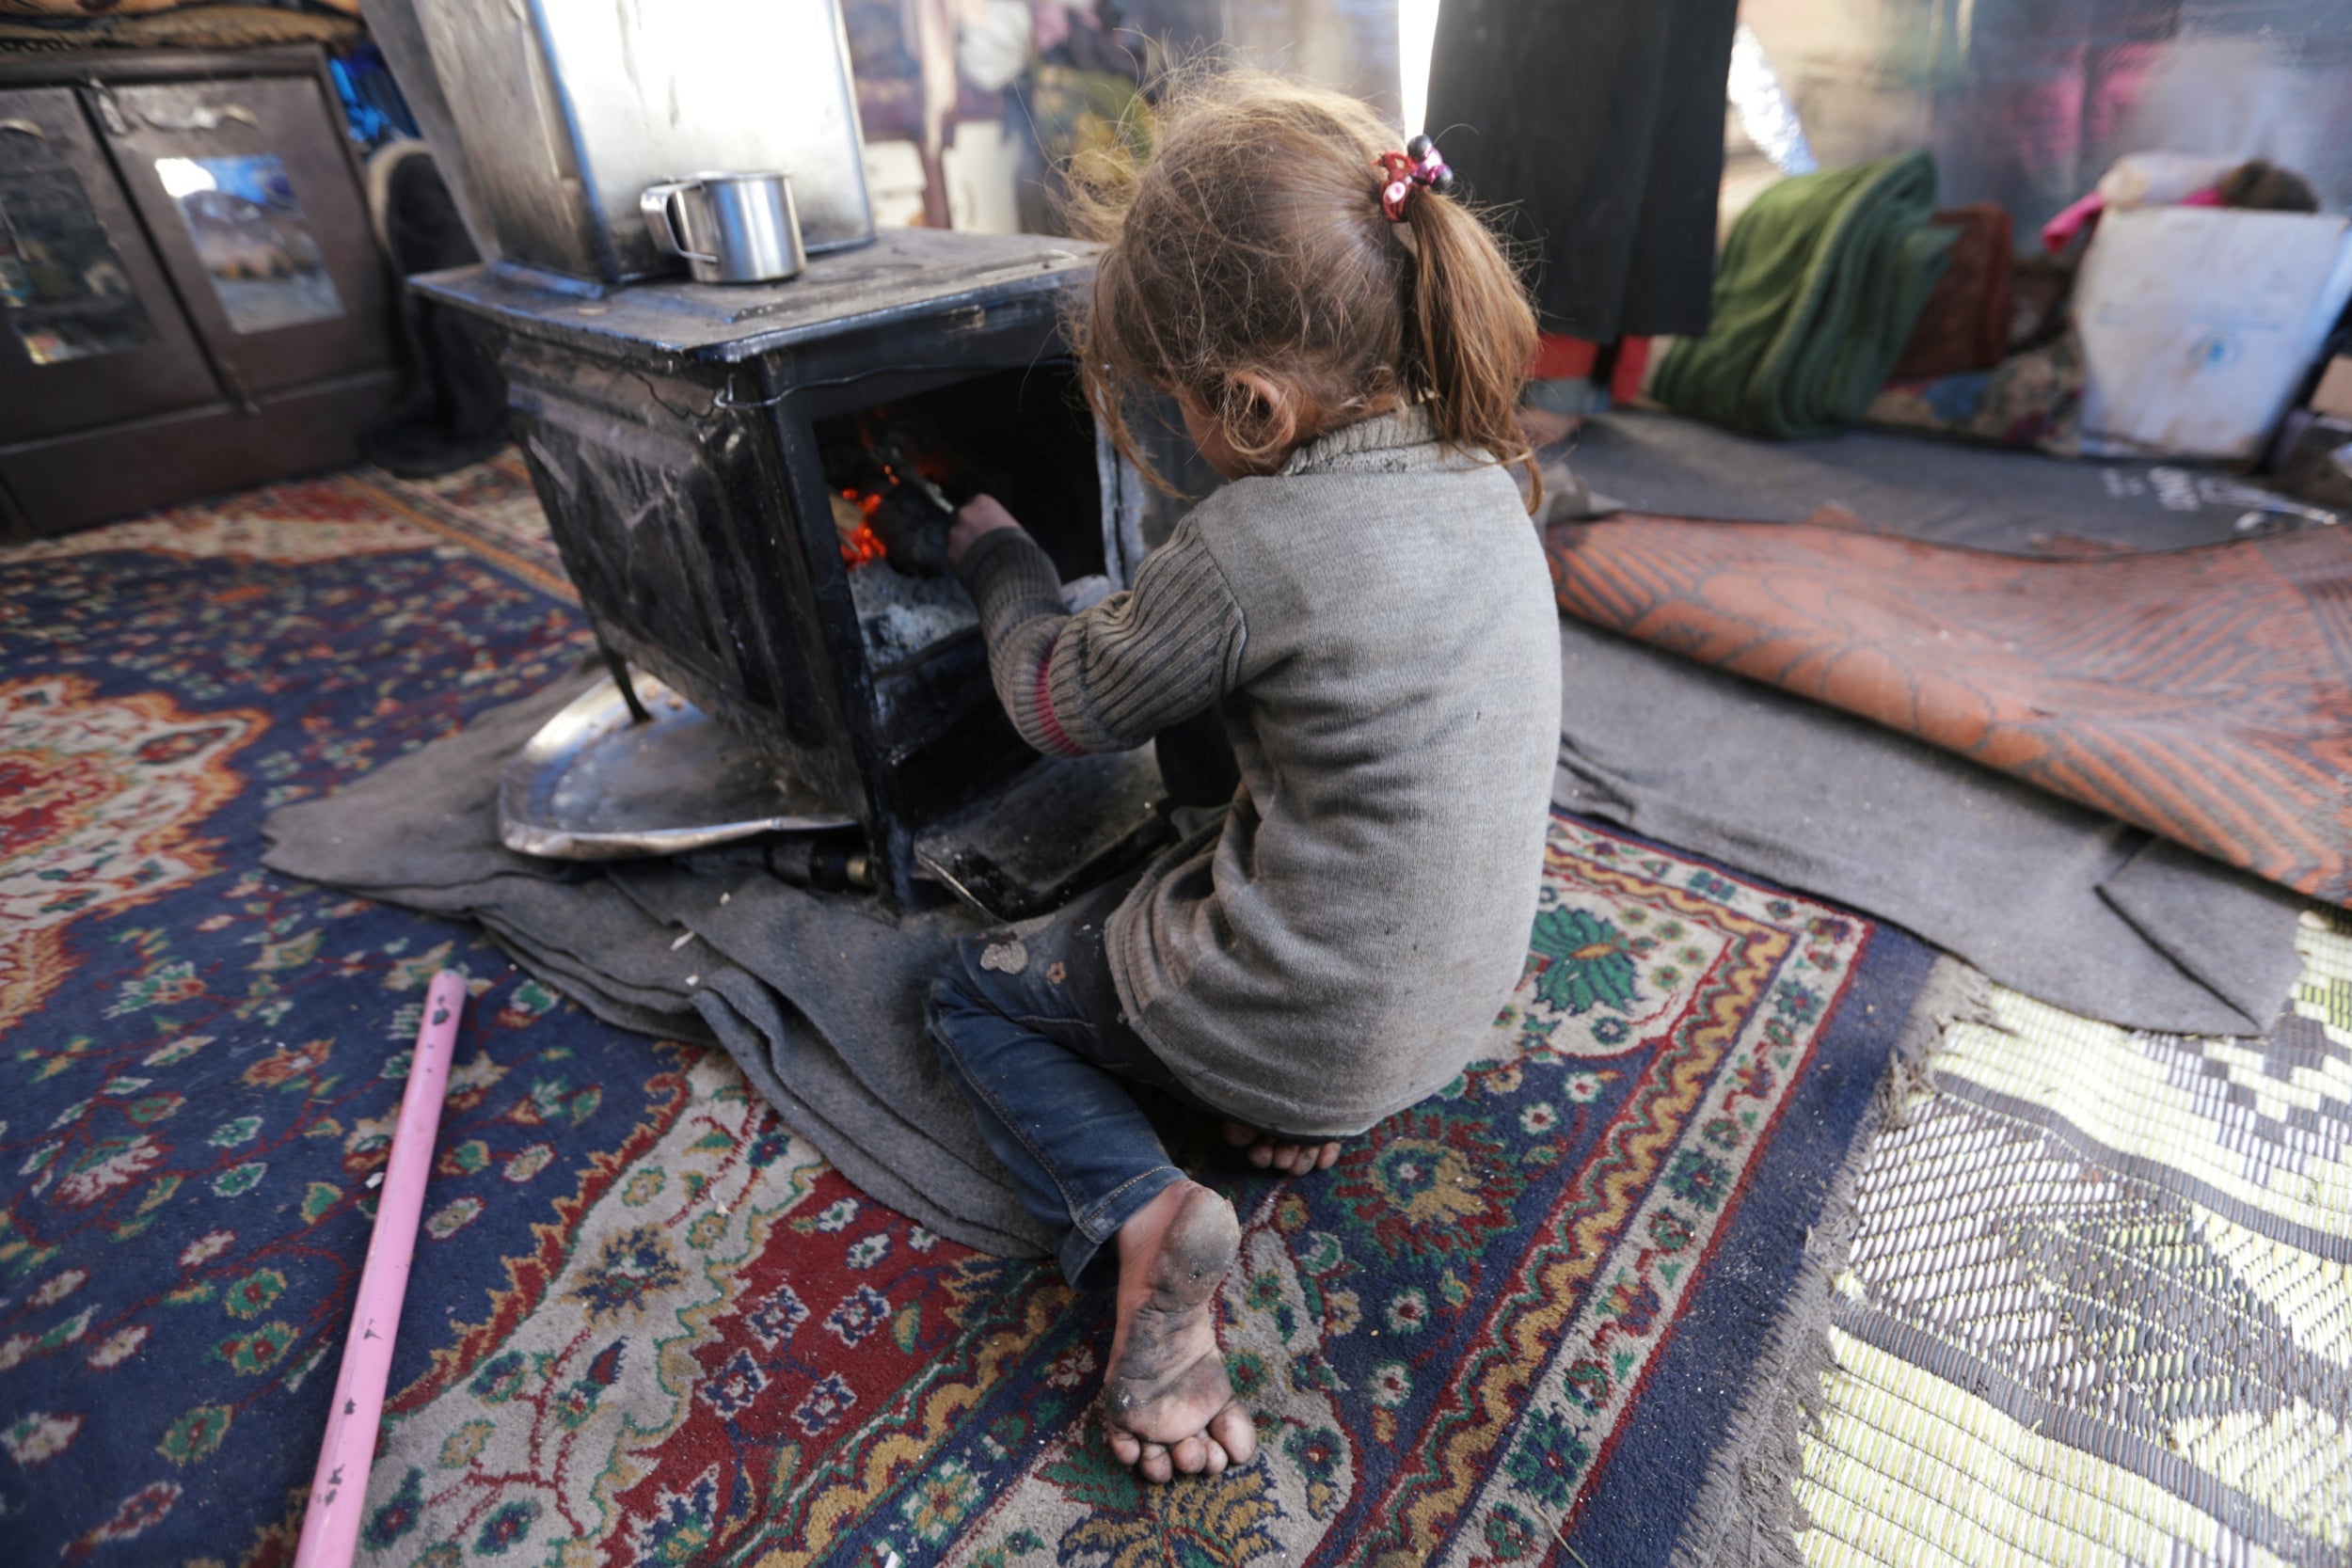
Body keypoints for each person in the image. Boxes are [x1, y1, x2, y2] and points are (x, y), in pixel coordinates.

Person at [926, 70, 1562, 1483]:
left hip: (1299, 1011)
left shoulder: (1248, 548)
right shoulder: (1489, 470)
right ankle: (1303, 1100)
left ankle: (1143, 1211)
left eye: (1175, 407)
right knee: (1242, 761)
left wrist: (1003, 564)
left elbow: (1056, 702)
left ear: (1254, 406)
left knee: (972, 996)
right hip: (1442, 1010)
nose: (1171, 430)